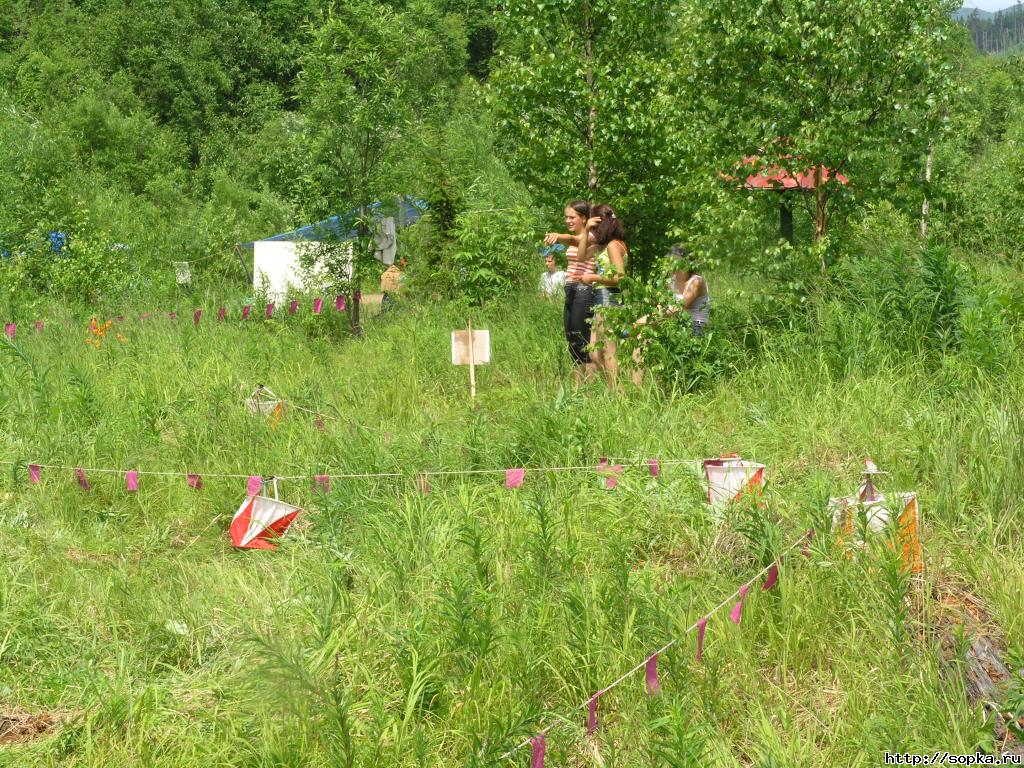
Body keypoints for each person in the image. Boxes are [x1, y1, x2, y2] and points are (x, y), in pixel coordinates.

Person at [544, 200, 597, 384]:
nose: (568, 220)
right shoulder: (578, 235)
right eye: (566, 217)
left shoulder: (591, 236)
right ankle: (578, 386)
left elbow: (573, 240)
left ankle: (590, 386)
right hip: (571, 289)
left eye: (572, 217)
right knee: (572, 339)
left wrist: (559, 236)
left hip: (584, 290)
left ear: (584, 218)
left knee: (583, 339)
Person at [576, 204, 627, 390]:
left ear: (602, 223)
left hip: (608, 298)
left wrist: (592, 277)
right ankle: (616, 388)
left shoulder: (613, 245)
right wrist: (586, 230)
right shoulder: (602, 246)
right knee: (595, 354)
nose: (594, 230)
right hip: (601, 299)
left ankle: (617, 394)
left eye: (595, 224)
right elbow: (581, 257)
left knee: (608, 350)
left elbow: (619, 277)